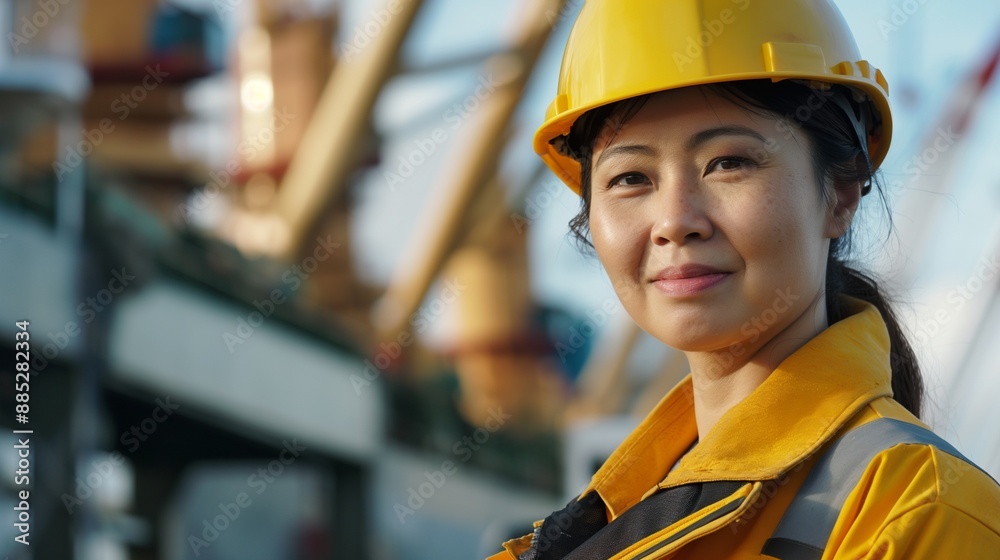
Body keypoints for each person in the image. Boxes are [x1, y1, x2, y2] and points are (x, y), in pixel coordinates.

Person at [488, 0, 1000, 558]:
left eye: (728, 163)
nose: (675, 221)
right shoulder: (606, 519)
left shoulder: (919, 512)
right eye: (631, 177)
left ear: (842, 195)